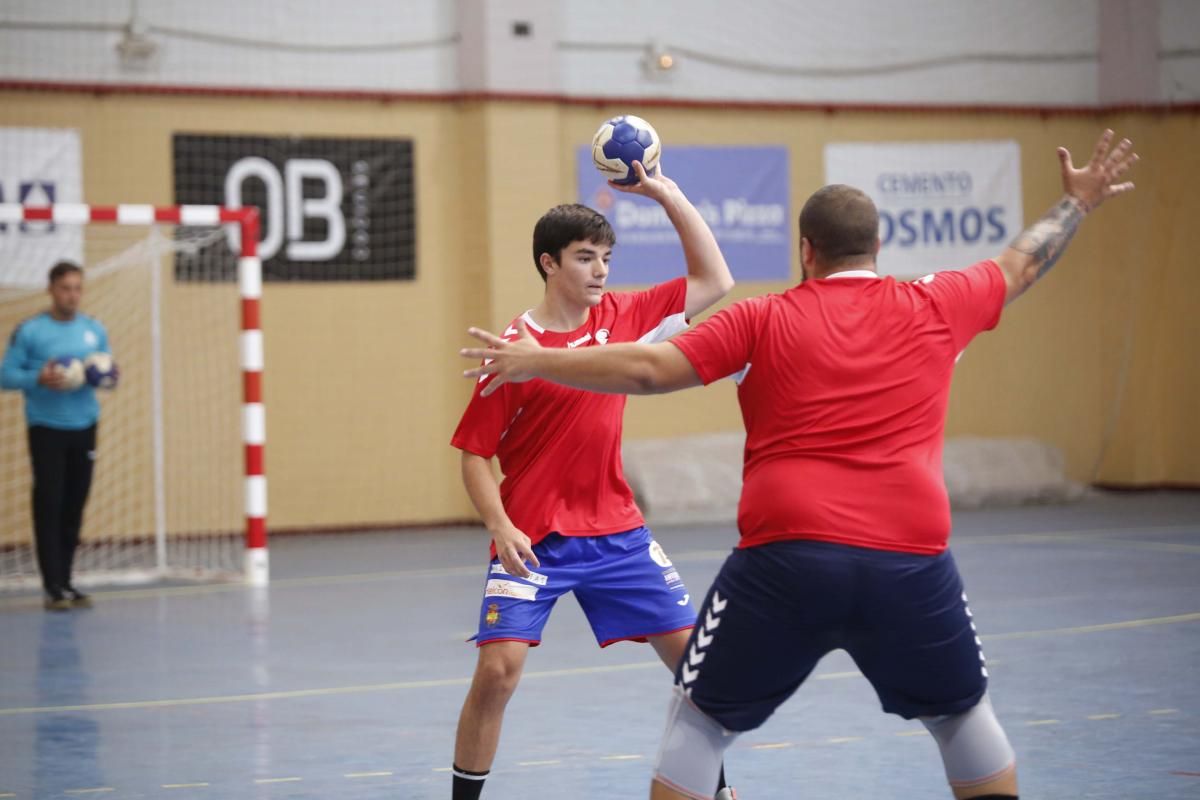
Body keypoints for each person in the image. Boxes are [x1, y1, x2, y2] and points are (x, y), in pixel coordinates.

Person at [460, 130, 1138, 800]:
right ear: (879, 247)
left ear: (805, 251)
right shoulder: (937, 302)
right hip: (910, 556)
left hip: (782, 558)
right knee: (961, 714)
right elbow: (1022, 263)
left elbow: (648, 368)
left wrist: (540, 359)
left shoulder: (760, 319)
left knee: (700, 712)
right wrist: (1076, 204)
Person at [449, 162, 737, 800]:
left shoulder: (627, 313)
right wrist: (499, 525)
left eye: (606, 256)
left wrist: (666, 192)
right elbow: (474, 454)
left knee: (698, 670)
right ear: (549, 264)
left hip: (617, 533)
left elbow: (715, 279)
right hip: (535, 540)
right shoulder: (512, 351)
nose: (601, 270)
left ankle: (716, 789)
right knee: (498, 672)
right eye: (585, 257)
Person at [1, 261, 115, 611]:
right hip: (46, 427)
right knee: (49, 503)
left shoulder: (94, 330)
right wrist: (39, 377)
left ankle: (66, 581)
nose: (73, 295)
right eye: (66, 288)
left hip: (85, 426)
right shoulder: (32, 330)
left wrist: (108, 376)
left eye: (78, 288)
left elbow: (106, 368)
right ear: (51, 289)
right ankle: (52, 587)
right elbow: (6, 375)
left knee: (74, 505)